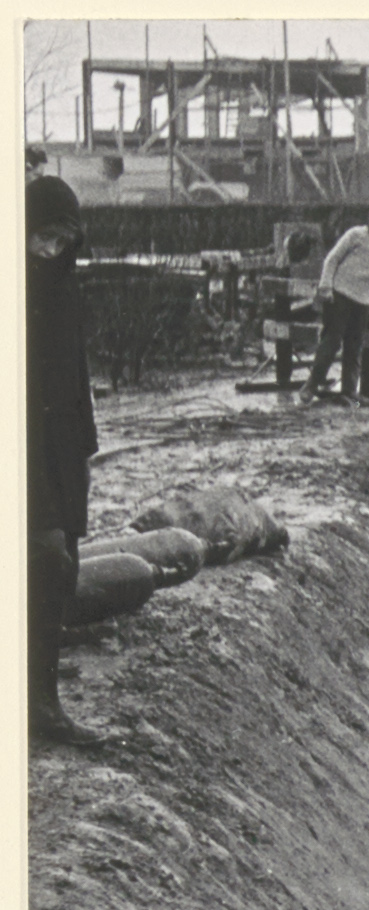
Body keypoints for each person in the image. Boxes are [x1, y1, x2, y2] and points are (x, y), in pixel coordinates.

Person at [26, 172, 103, 746]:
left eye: (61, 239)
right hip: (24, 443)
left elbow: (78, 374)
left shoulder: (66, 289)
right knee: (46, 557)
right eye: (42, 237)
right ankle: (40, 705)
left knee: (65, 564)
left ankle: (39, 687)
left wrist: (85, 446)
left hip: (63, 444)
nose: (51, 249)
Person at [299, 208, 369, 403]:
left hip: (363, 300)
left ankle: (349, 391)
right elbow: (332, 259)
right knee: (331, 341)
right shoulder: (356, 235)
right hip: (340, 294)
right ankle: (311, 386)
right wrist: (325, 286)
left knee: (355, 345)